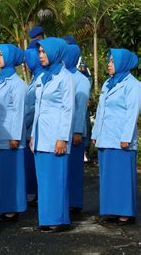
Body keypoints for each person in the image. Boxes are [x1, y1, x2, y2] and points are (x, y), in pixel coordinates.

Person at [30, 37, 74, 233]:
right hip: (41, 136)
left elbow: (68, 109)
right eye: (39, 52)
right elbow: (37, 109)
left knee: (56, 179)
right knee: (44, 180)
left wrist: (62, 138)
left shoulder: (65, 77)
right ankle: (46, 219)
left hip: (56, 136)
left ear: (54, 52)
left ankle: (59, 219)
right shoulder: (42, 77)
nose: (40, 56)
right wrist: (33, 135)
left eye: (44, 52)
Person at [92, 48, 139, 226]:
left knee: (122, 177)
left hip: (121, 139)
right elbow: (100, 111)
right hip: (106, 136)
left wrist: (126, 137)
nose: (109, 64)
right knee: (108, 176)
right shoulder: (107, 83)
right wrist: (96, 133)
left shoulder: (133, 85)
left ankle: (125, 213)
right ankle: (112, 209)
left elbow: (132, 113)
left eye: (112, 61)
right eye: (109, 61)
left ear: (122, 63)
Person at [0, 44, 27, 221]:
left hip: (9, 133)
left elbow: (18, 111)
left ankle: (11, 208)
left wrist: (15, 136)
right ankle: (0, 205)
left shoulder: (17, 83)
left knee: (10, 173)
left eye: (2, 55)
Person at [63, 44, 90, 217]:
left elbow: (81, 108)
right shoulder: (63, 76)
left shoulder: (81, 79)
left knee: (74, 168)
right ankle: (67, 199)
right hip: (64, 131)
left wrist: (78, 131)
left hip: (74, 131)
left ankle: (74, 202)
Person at [23, 48, 44, 200]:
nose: (26, 64)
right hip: (29, 128)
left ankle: (35, 194)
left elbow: (32, 108)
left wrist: (22, 122)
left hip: (31, 127)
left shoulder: (40, 78)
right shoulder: (35, 77)